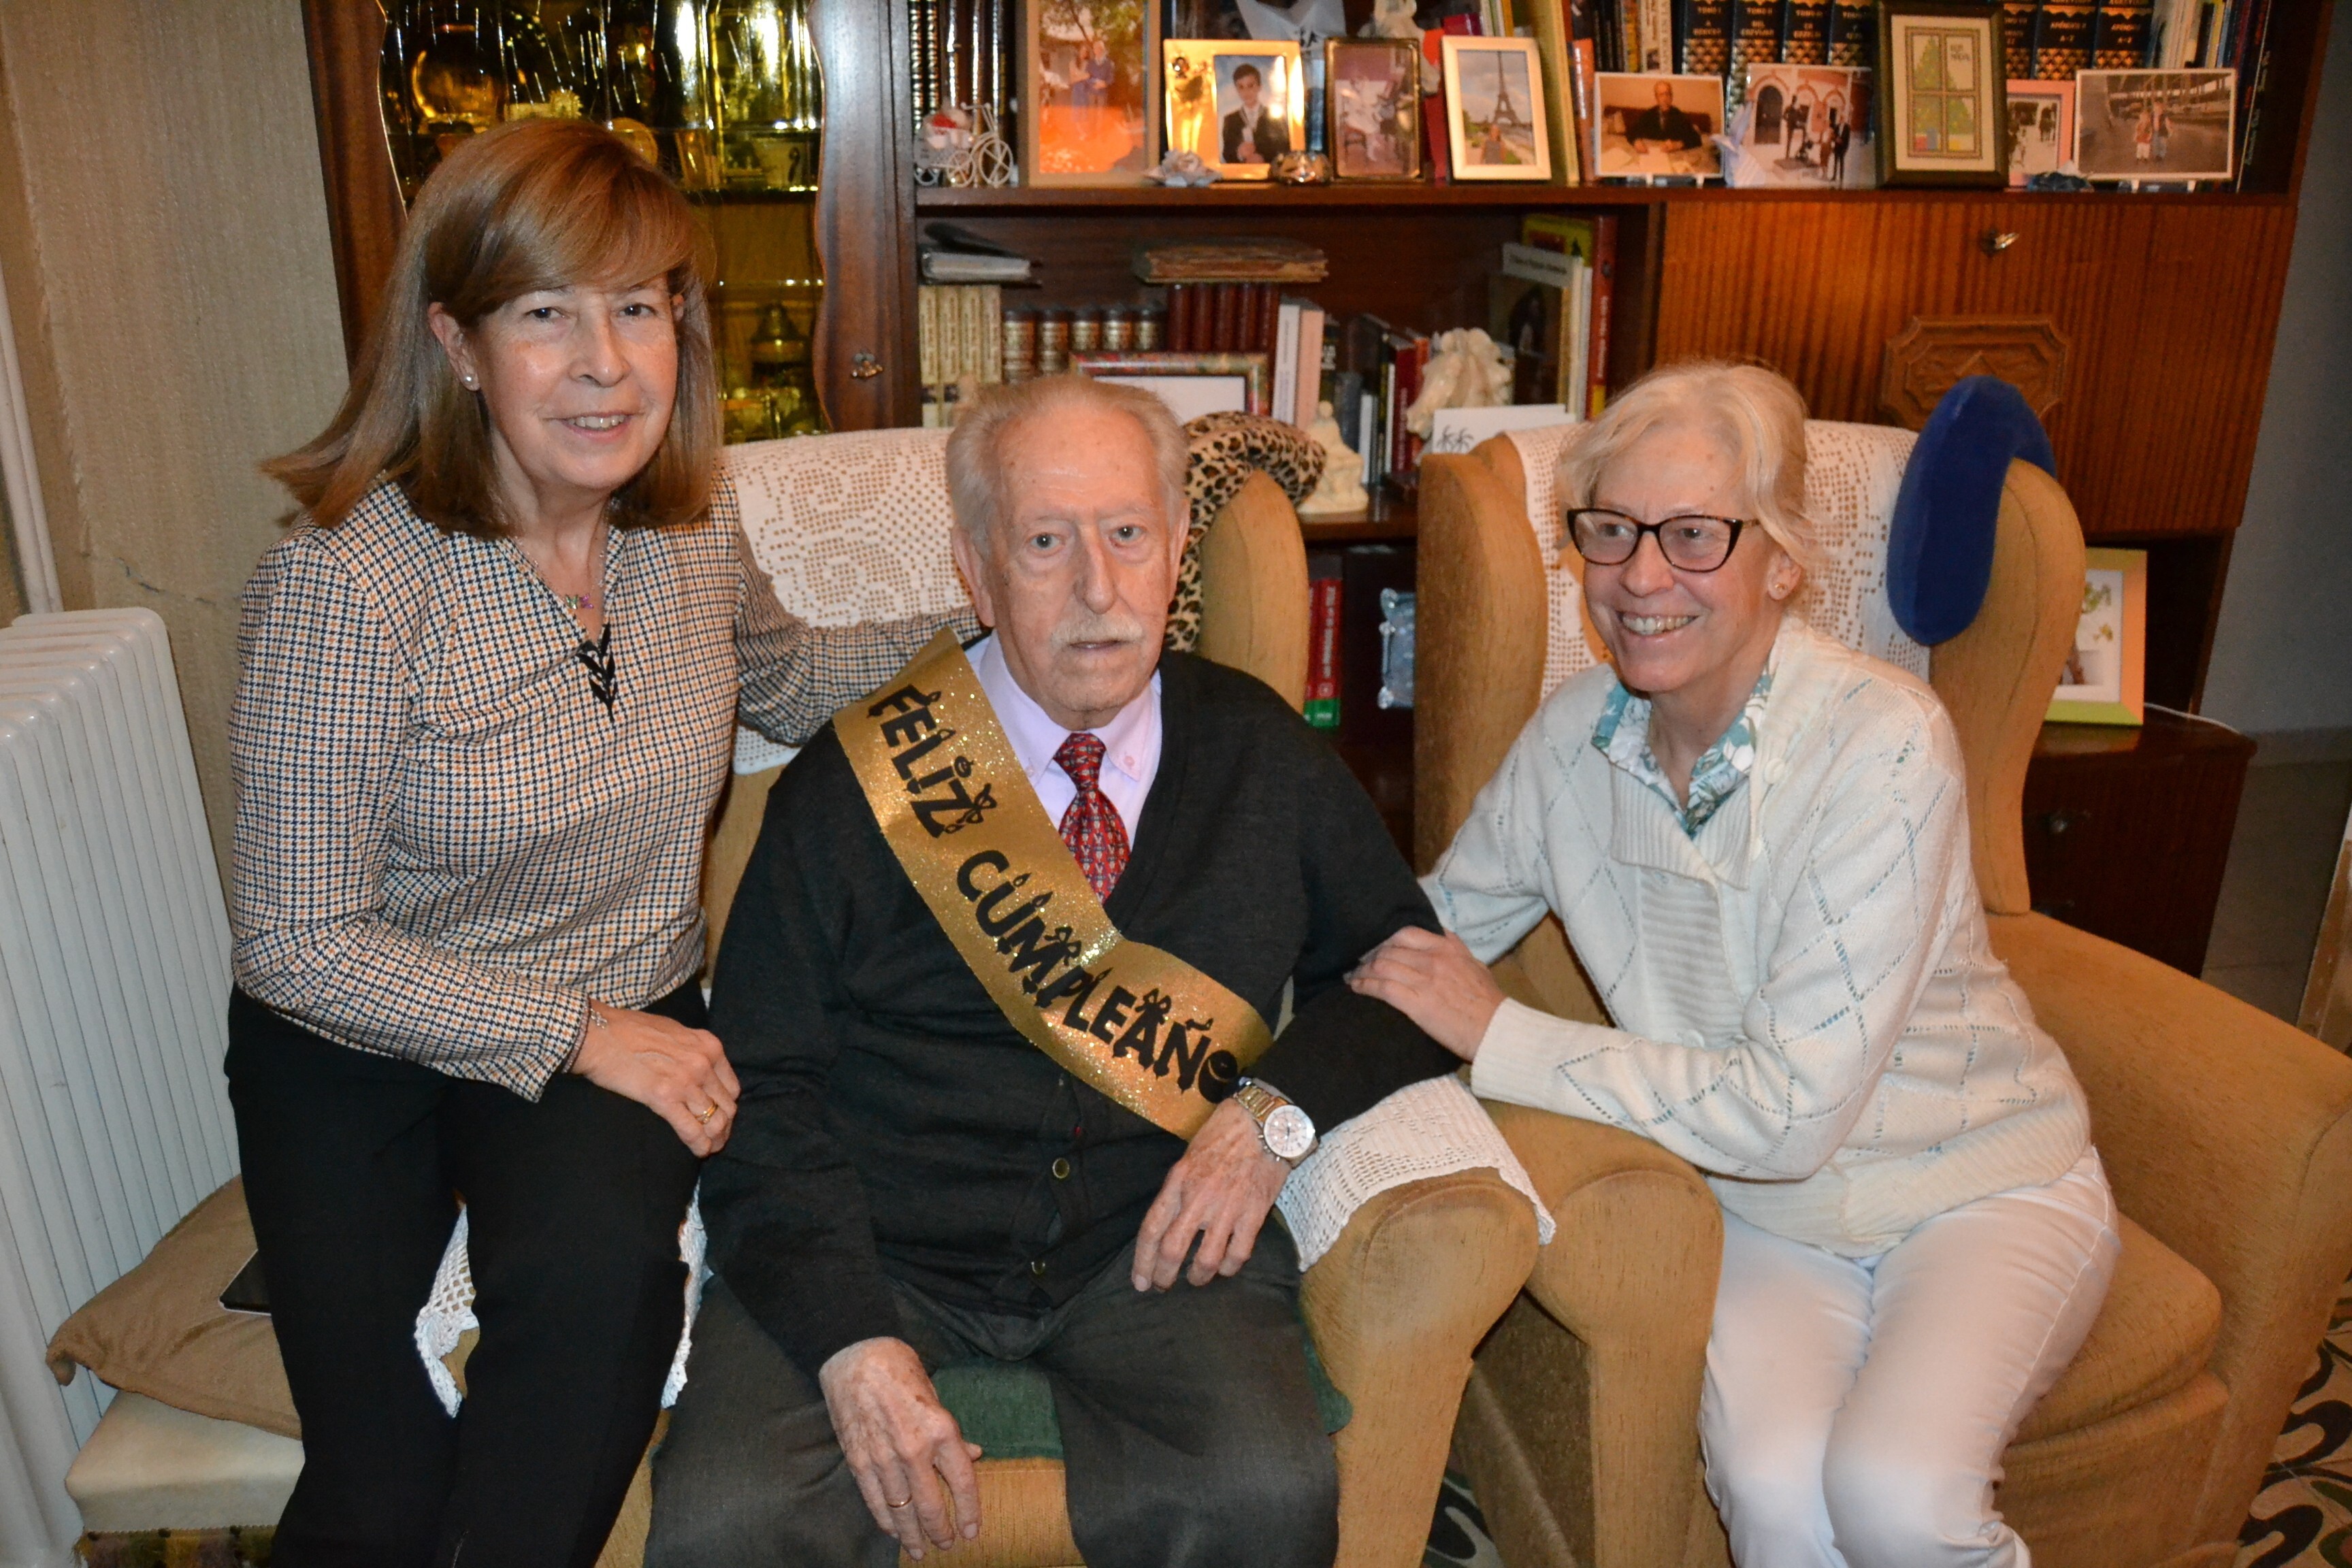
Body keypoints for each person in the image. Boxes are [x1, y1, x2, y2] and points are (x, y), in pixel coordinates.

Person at [230, 119, 965, 1568]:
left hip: (623, 993)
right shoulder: (344, 586)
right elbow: (298, 940)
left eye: (637, 308)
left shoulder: (688, 529)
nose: (606, 364)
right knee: (380, 1484)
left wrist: (991, 609)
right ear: (455, 343)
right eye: (545, 315)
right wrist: (583, 1034)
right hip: (364, 1031)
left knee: (603, 1296)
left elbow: (784, 681)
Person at [644, 374, 1460, 1568]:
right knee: (730, 1516)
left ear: (1176, 552)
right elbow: (760, 1085)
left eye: (1128, 533)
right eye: (1044, 542)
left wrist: (1269, 1118)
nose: (1097, 587)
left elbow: (1409, 979)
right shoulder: (852, 784)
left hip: (1155, 1246)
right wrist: (848, 1335)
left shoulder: (1263, 756)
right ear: (975, 572)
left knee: (1262, 1492)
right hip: (876, 1246)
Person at [1349, 361, 2119, 1568]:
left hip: (1979, 1184)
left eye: (1696, 534)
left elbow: (1790, 1117)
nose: (1642, 576)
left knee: (1895, 1496)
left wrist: (1501, 1034)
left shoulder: (1883, 743)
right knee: (1774, 1499)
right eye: (1612, 529)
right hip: (1762, 1214)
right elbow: (1428, 938)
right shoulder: (1570, 744)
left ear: (1784, 560)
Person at [1222, 61, 1292, 163]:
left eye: (1250, 86)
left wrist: (1264, 158)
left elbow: (1285, 149)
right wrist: (1239, 153)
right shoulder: (1230, 120)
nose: (1246, 92)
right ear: (1236, 89)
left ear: (1259, 87)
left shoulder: (1276, 118)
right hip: (1242, 172)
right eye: (1241, 87)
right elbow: (1227, 153)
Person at [1627, 77, 1702, 151]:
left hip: (1672, 155)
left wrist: (1677, 145)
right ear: (1657, 98)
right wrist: (1636, 142)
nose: (1665, 98)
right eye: (1661, 95)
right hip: (1652, 153)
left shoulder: (1678, 115)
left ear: (1671, 97)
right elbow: (1631, 131)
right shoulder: (1649, 114)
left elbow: (1696, 139)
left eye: (1667, 94)